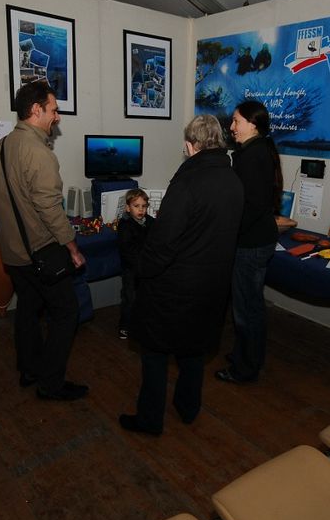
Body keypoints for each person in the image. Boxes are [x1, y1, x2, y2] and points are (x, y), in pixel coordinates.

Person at [119, 115, 243, 435]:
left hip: (175, 288)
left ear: (190, 145)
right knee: (193, 351)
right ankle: (188, 408)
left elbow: (163, 242)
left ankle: (149, 420)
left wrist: (141, 271)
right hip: (213, 286)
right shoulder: (233, 181)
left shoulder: (187, 182)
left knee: (155, 353)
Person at [0, 81, 88, 401]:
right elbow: (50, 208)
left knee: (28, 311)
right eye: (54, 109)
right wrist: (72, 247)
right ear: (36, 110)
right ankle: (51, 383)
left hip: (13, 253)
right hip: (41, 251)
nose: (57, 117)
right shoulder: (39, 153)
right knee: (66, 312)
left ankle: (29, 370)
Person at [216, 100, 282, 384]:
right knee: (248, 305)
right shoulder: (257, 150)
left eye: (236, 122)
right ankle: (246, 355)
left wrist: (228, 234)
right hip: (256, 240)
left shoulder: (252, 156)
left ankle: (245, 368)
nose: (231, 128)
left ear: (253, 124)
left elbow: (253, 206)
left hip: (251, 243)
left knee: (246, 309)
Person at [117, 188, 154, 340]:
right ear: (127, 207)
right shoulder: (125, 225)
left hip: (147, 268)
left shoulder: (150, 221)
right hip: (131, 270)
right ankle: (125, 326)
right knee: (130, 298)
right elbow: (127, 251)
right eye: (136, 206)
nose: (141, 210)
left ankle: (142, 323)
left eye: (143, 206)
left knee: (146, 298)